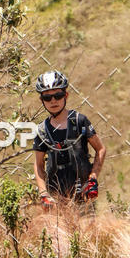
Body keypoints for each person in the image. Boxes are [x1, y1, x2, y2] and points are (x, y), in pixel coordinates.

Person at [32, 70, 106, 210]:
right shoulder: (42, 131)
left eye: (58, 95)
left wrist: (93, 177)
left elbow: (101, 149)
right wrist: (44, 194)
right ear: (41, 100)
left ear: (66, 95)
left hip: (84, 195)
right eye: (47, 98)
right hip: (56, 201)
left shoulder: (79, 121)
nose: (53, 101)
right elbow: (38, 165)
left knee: (87, 231)